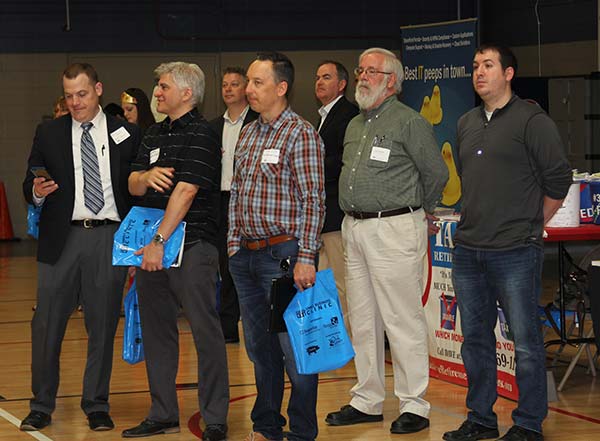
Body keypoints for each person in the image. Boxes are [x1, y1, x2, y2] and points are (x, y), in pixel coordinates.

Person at [442, 44, 572, 441]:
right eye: (475, 66)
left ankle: (528, 423)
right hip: (469, 250)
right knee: (475, 341)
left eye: (488, 65)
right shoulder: (465, 122)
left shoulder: (532, 120)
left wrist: (533, 223)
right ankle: (481, 418)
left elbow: (558, 180)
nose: (479, 73)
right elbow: (469, 178)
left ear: (509, 73)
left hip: (515, 250)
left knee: (526, 342)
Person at [325, 47, 448, 435]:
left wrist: (423, 209)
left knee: (401, 318)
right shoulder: (354, 124)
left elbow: (437, 173)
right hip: (354, 227)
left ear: (391, 81)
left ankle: (414, 404)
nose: (362, 77)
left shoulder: (409, 122)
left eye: (371, 72)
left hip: (394, 227)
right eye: (360, 71)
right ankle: (367, 399)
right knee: (362, 319)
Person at [21, 62, 141, 432]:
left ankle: (96, 404)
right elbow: (29, 181)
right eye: (69, 95)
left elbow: (138, 190)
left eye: (82, 94)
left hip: (109, 237)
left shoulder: (127, 133)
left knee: (102, 325)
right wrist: (36, 192)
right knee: (46, 325)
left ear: (99, 90)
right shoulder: (49, 132)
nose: (75, 102)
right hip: (62, 238)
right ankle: (41, 405)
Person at [122, 62, 229, 441]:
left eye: (164, 86)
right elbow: (133, 185)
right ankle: (162, 412)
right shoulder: (152, 133)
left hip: (192, 246)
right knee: (156, 331)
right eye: (158, 86)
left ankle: (215, 418)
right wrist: (145, 176)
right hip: (153, 248)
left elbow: (185, 192)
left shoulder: (203, 133)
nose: (157, 92)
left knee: (205, 332)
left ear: (187, 93)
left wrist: (158, 242)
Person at [227, 52, 325, 441]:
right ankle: (267, 426)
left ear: (281, 88)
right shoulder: (249, 133)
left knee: (295, 350)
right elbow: (236, 192)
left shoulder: (301, 134)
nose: (248, 89)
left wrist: (306, 257)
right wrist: (233, 245)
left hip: (284, 258)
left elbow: (313, 200)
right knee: (259, 349)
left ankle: (302, 432)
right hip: (246, 256)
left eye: (257, 82)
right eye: (248, 81)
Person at [210, 67, 259, 343]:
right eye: (225, 85)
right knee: (225, 265)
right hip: (221, 200)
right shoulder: (213, 127)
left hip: (249, 202)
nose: (228, 89)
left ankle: (253, 324)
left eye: (234, 84)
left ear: (246, 88)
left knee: (249, 264)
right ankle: (228, 328)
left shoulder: (258, 122)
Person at [314, 60, 358, 325]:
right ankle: (333, 337)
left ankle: (350, 337)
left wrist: (311, 165)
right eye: (318, 77)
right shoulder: (323, 116)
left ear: (341, 84)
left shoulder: (349, 115)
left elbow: (344, 160)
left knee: (341, 282)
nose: (319, 82)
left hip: (337, 212)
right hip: (324, 214)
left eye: (326, 77)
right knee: (325, 281)